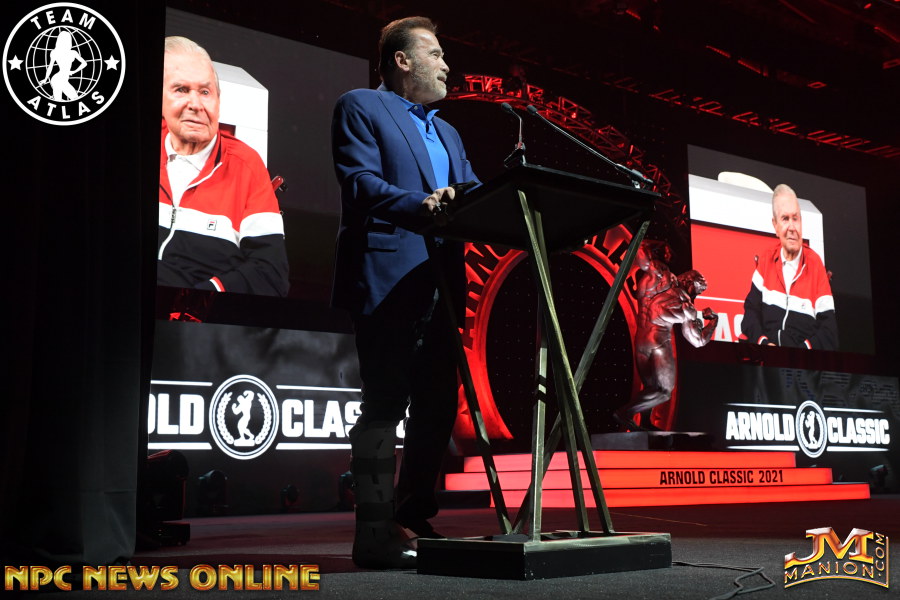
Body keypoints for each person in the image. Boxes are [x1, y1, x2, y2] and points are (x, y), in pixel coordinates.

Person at [330, 16, 477, 569]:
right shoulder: (361, 106)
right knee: (386, 401)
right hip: (388, 277)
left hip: (442, 283)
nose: (446, 65)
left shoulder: (450, 132)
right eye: (435, 54)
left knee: (438, 404)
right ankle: (373, 529)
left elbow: (472, 194)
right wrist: (422, 204)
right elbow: (360, 183)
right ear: (402, 60)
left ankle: (413, 516)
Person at [158, 36, 289, 296]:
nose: (196, 105)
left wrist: (200, 298)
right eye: (181, 90)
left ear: (219, 101)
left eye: (205, 92)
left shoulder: (247, 166)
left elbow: (271, 274)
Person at [615, 247, 718, 430]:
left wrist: (653, 245)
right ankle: (625, 412)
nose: (695, 295)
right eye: (697, 291)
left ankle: (644, 422)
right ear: (691, 284)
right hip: (659, 342)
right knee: (663, 391)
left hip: (641, 341)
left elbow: (642, 256)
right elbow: (698, 341)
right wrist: (713, 322)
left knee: (651, 387)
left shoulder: (660, 277)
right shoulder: (686, 304)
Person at [740, 184, 837, 350]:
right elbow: (750, 315)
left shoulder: (815, 266)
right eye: (785, 219)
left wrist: (797, 354)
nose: (792, 227)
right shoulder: (766, 260)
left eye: (795, 218)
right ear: (775, 226)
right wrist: (763, 344)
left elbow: (829, 332)